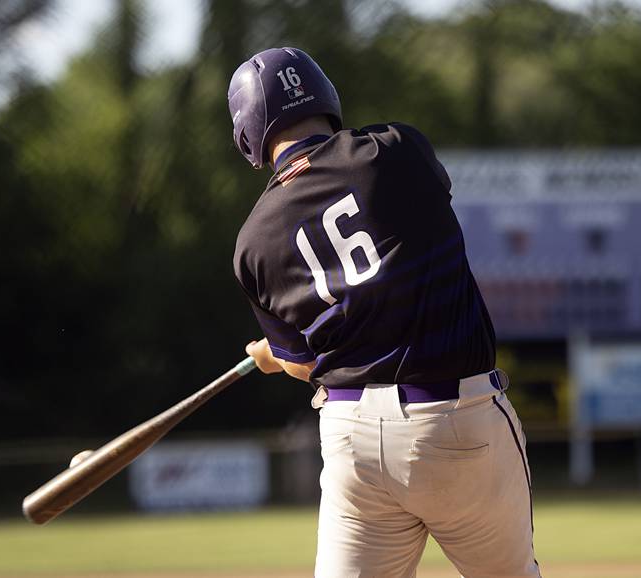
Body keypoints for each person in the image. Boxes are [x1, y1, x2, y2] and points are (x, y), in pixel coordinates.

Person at [229, 47, 541, 578]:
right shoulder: (396, 150)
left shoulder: (252, 243)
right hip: (456, 420)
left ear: (249, 134)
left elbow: (307, 365)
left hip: (351, 437)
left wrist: (277, 358)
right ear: (326, 100)